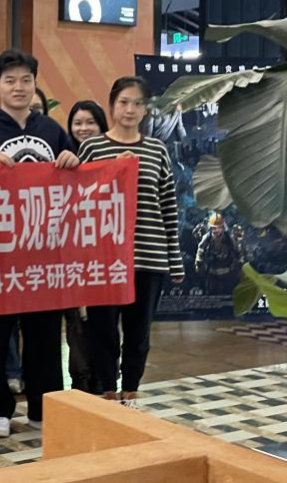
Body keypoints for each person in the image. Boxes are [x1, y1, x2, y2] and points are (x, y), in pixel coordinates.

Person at [0, 50, 79, 436]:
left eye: (25, 80)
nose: (18, 87)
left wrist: (71, 159)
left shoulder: (51, 130)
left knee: (44, 334)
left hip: (42, 252)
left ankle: (44, 408)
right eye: (10, 80)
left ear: (34, 85)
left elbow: (78, 177)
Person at [78, 76, 185, 409]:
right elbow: (79, 201)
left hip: (149, 257)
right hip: (104, 259)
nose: (130, 109)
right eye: (123, 102)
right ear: (112, 106)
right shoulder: (93, 148)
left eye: (138, 103)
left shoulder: (157, 150)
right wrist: (114, 169)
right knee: (103, 332)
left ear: (147, 109)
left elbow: (168, 207)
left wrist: (175, 260)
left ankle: (131, 392)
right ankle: (109, 392)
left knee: (139, 334)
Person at [64, 100, 109, 394]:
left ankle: (105, 379)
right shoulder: (62, 160)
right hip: (71, 257)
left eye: (90, 122)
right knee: (76, 324)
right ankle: (80, 380)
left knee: (104, 322)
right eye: (77, 123)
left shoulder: (112, 158)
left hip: (106, 256)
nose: (83, 128)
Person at [195, 212, 241, 297]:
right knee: (211, 295)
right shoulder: (207, 238)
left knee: (228, 295)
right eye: (213, 228)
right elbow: (200, 250)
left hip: (227, 273)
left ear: (222, 227)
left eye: (218, 228)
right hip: (212, 273)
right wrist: (198, 264)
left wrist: (239, 265)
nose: (216, 230)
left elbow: (237, 252)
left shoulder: (229, 238)